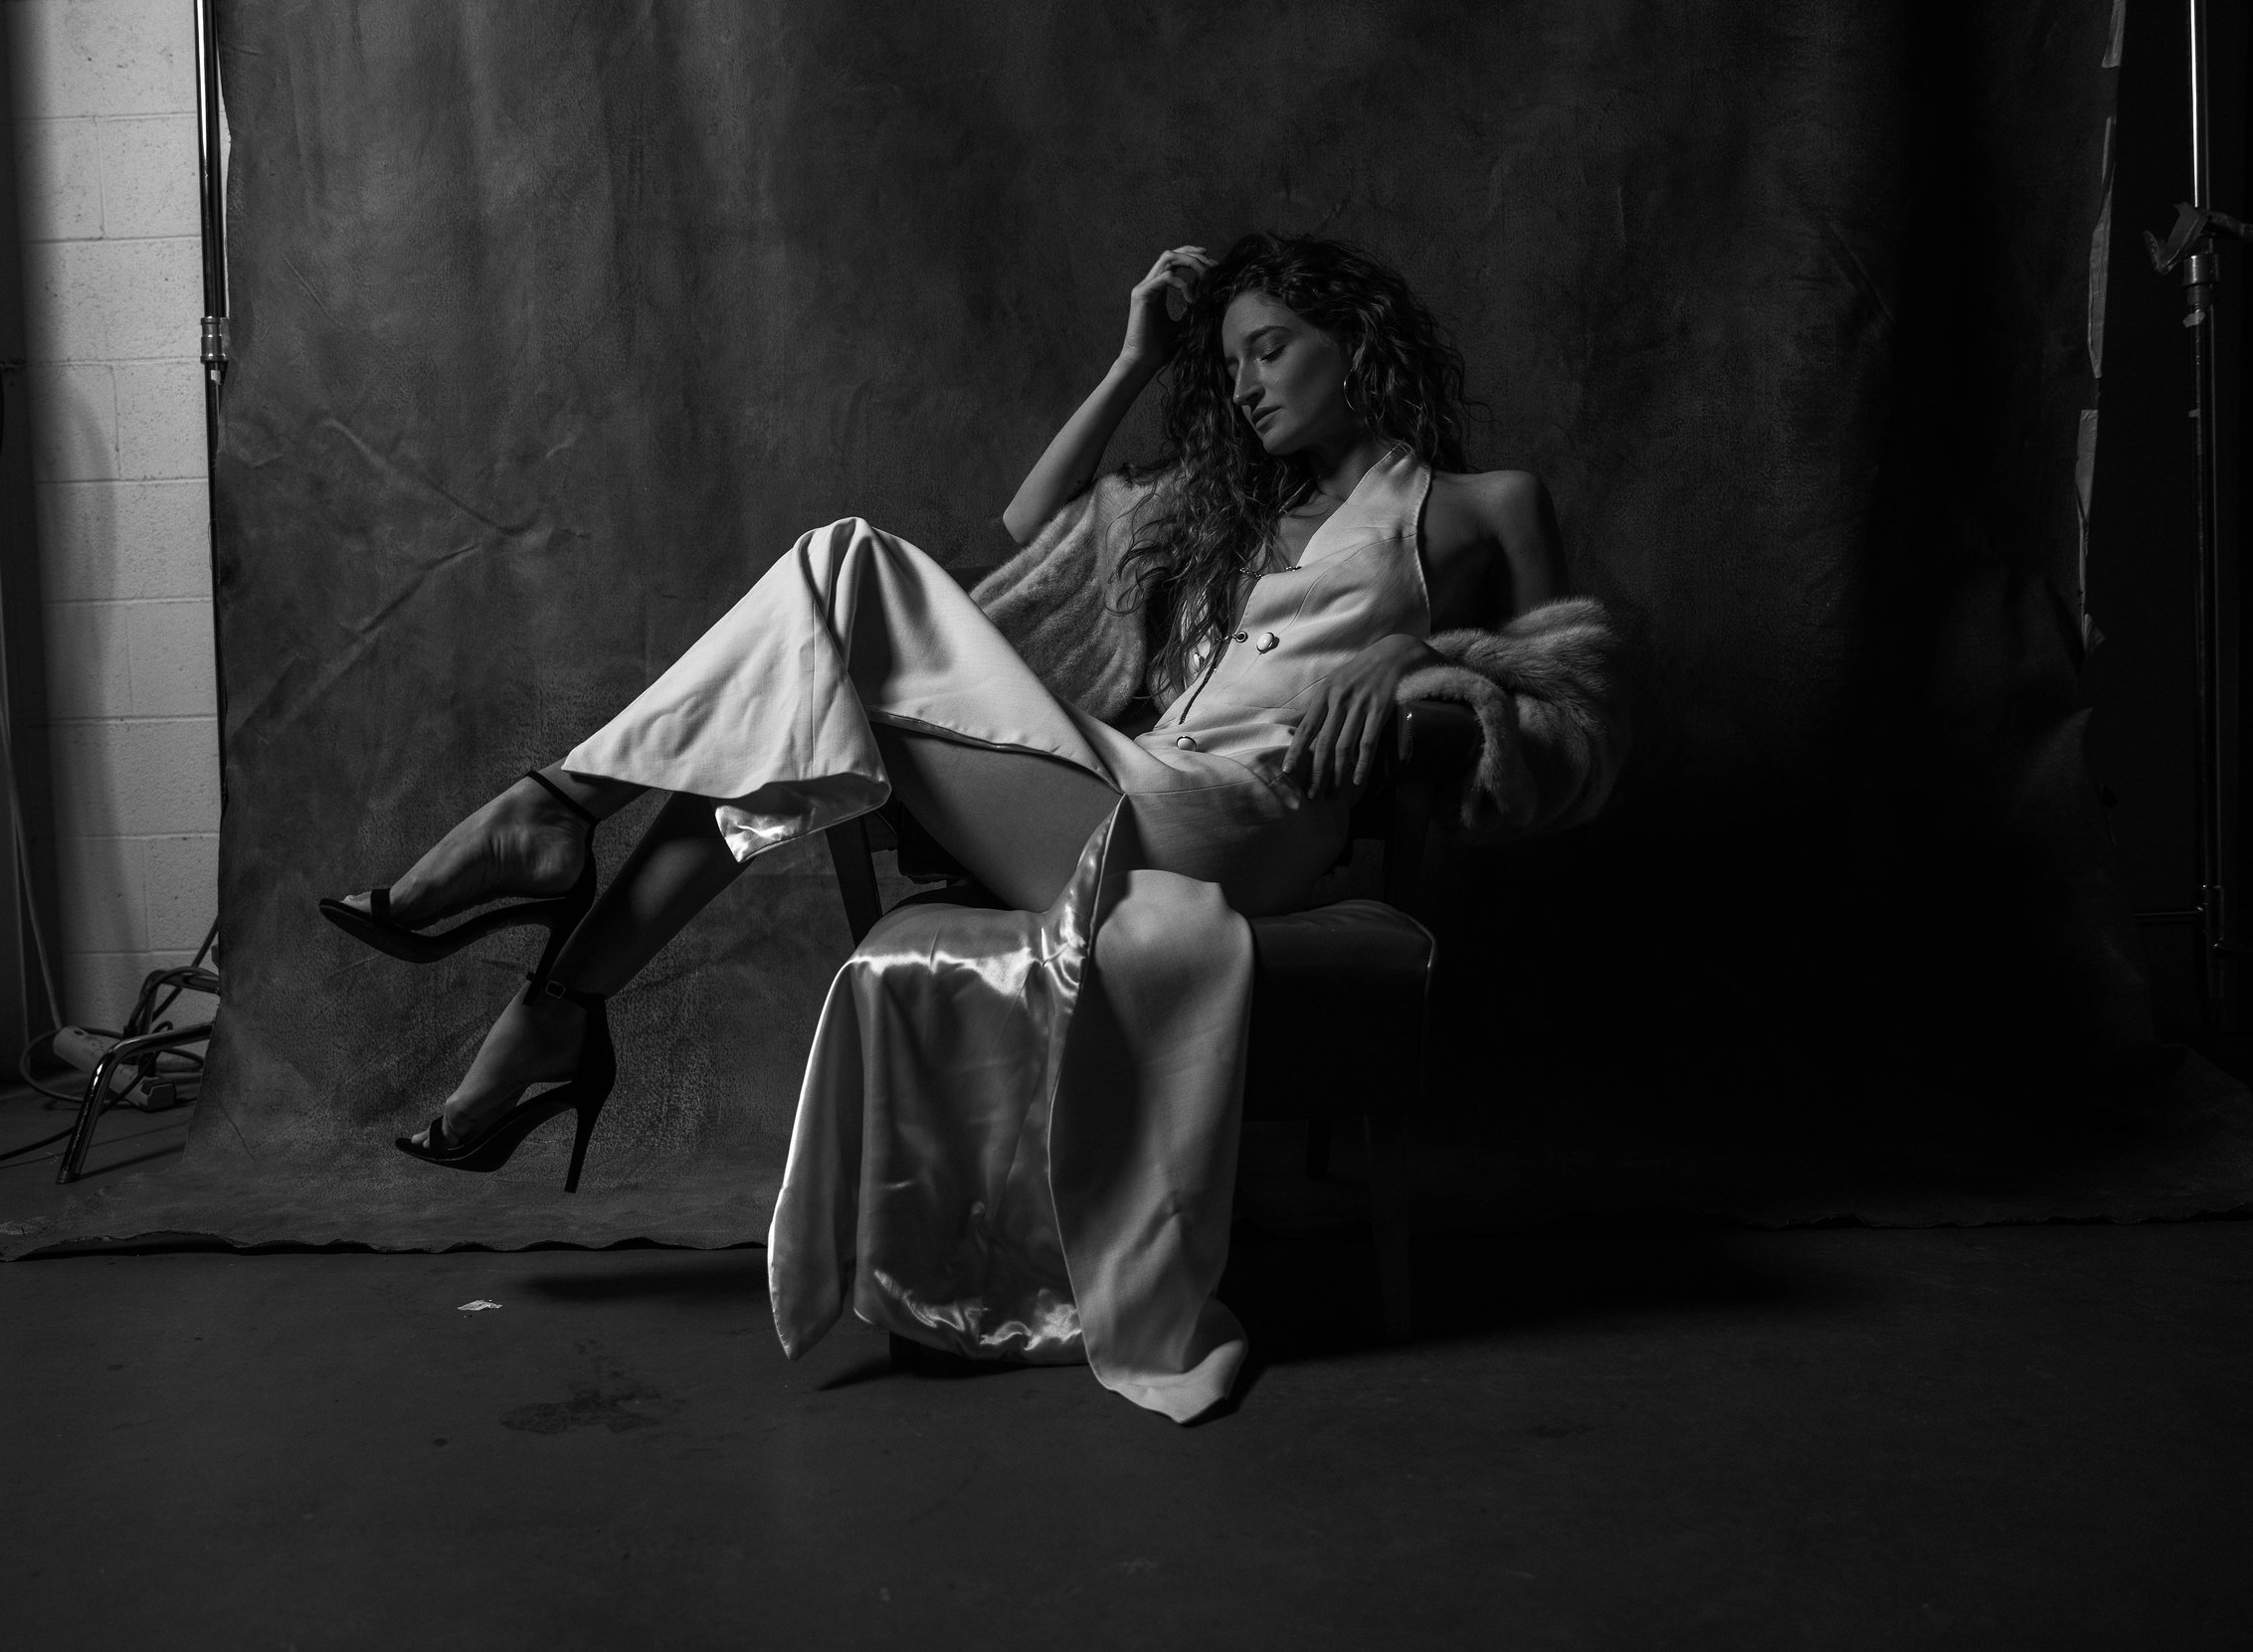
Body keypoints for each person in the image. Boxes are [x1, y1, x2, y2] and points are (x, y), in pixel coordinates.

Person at [324, 233, 1619, 1420]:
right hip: (1124, 789)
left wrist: (1422, 679)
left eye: (1267, 348)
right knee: (812, 653)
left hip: (1230, 830)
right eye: (1222, 364)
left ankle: (551, 876)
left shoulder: (1486, 505)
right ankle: (558, 982)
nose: (1240, 387)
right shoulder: (1220, 518)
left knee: (835, 585)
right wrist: (1129, 364)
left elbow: (1576, 729)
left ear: (1360, 336)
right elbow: (1020, 537)